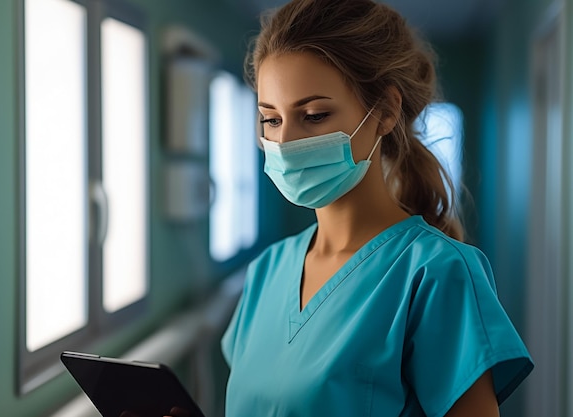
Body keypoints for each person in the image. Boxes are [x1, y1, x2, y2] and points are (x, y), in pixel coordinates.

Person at [220, 0, 534, 416]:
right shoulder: (267, 271)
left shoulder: (436, 273)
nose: (286, 143)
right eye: (271, 120)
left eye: (314, 116)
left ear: (384, 112)